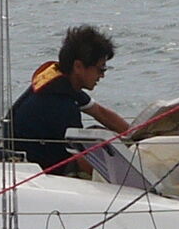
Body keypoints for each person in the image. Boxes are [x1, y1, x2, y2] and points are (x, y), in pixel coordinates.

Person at [7, 25, 132, 173]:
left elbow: (100, 112)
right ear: (78, 66)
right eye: (100, 69)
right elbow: (85, 163)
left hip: (41, 153)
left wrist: (135, 137)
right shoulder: (60, 106)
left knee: (98, 134)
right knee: (99, 144)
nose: (102, 75)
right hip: (36, 171)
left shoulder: (59, 80)